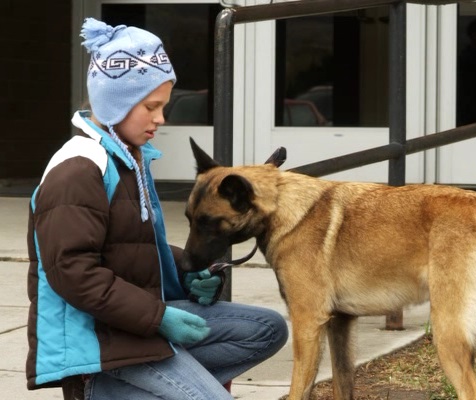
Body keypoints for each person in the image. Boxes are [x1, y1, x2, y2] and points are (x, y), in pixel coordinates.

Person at [25, 18, 288, 400]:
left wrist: (186, 276)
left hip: (133, 327)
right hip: (103, 343)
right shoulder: (78, 169)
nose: (161, 119)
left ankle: (146, 389)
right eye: (151, 106)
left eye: (163, 106)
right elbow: (73, 273)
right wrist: (158, 318)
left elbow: (131, 249)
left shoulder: (129, 158)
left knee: (267, 328)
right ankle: (102, 387)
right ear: (116, 101)